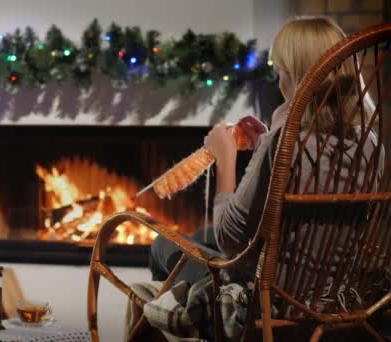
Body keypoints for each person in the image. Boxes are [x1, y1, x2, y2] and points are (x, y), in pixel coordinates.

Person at [143, 16, 382, 339]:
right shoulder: (371, 145)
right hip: (332, 295)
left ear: (295, 77)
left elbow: (229, 241)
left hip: (272, 301)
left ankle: (196, 318)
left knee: (161, 244)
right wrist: (266, 145)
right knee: (200, 233)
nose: (278, 79)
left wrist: (226, 158)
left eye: (280, 71)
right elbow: (303, 211)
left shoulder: (284, 143)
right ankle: (186, 307)